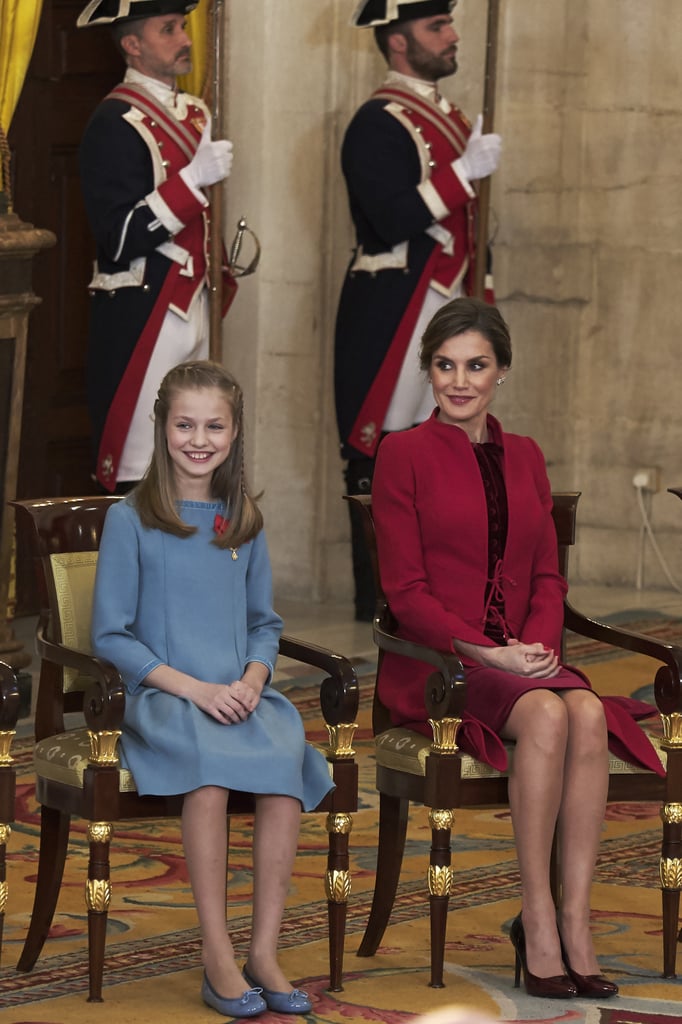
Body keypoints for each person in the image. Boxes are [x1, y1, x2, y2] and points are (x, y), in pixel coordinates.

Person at [371, 297, 665, 1000]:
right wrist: (486, 653)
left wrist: (533, 645)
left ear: (502, 370)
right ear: (428, 370)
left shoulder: (527, 455)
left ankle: (574, 919)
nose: (460, 381)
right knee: (549, 715)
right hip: (439, 666)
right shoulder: (401, 454)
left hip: (524, 657)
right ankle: (537, 922)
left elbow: (546, 574)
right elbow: (405, 594)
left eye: (476, 365)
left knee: (586, 713)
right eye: (445, 365)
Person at [91, 360, 331, 1017]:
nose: (199, 439)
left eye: (214, 426)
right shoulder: (130, 520)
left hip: (239, 694)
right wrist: (197, 690)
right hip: (168, 698)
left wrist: (255, 679)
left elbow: (264, 624)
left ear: (235, 434)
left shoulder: (242, 519)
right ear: (162, 426)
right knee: (211, 778)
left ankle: (263, 949)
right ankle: (217, 952)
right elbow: (110, 636)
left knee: (287, 766)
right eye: (185, 424)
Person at [335, 0, 502, 621]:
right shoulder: (376, 122)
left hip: (448, 304)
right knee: (382, 450)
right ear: (399, 43)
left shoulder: (449, 118)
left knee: (452, 447)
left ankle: (444, 591)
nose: (453, 35)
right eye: (438, 26)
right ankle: (377, 600)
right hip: (395, 309)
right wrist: (463, 173)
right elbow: (389, 219)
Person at [78, 0, 235, 493]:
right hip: (145, 307)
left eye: (183, 26)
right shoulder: (113, 121)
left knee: (197, 460)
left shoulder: (195, 113)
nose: (185, 38)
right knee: (141, 462)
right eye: (168, 29)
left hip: (196, 301)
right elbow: (119, 238)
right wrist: (192, 182)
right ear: (133, 45)